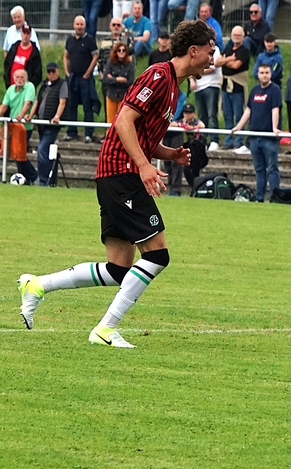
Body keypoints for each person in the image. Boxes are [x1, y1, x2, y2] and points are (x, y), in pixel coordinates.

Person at [17, 19, 216, 346]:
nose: (212, 58)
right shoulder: (158, 75)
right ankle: (105, 329)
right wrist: (144, 166)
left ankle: (37, 285)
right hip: (121, 172)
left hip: (119, 173)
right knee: (157, 255)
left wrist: (169, 154)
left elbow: (142, 135)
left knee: (119, 268)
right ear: (193, 51)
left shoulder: (174, 87)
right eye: (209, 51)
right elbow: (123, 121)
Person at [231, 64, 282, 201]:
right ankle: (259, 197)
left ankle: (275, 197)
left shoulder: (275, 90)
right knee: (259, 169)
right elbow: (248, 110)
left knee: (272, 169)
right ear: (258, 74)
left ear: (270, 74)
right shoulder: (254, 90)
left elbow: (275, 110)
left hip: (269, 138)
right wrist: (238, 127)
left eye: (267, 72)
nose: (264, 75)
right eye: (262, 73)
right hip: (254, 137)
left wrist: (275, 128)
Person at [29, 63, 68, 186]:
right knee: (44, 151)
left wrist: (57, 116)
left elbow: (62, 101)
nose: (51, 74)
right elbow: (37, 101)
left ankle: (44, 179)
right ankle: (46, 179)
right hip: (42, 123)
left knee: (42, 149)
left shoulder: (62, 84)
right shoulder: (44, 84)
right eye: (49, 72)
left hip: (51, 125)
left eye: (53, 71)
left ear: (58, 71)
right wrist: (31, 115)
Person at [62, 15, 99, 143]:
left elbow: (95, 56)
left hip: (85, 79)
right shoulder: (70, 40)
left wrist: (88, 73)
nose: (79, 27)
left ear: (85, 26)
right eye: (77, 24)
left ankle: (88, 133)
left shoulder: (89, 40)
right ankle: (71, 132)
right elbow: (66, 56)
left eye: (81, 24)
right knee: (71, 106)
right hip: (73, 78)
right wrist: (66, 71)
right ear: (74, 25)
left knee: (87, 106)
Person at [1, 68, 38, 183]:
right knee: (14, 154)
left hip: (24, 127)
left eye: (22, 77)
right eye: (17, 77)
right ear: (13, 78)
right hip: (12, 126)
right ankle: (25, 179)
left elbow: (28, 103)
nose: (19, 79)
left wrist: (20, 116)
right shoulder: (11, 89)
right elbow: (4, 105)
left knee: (19, 154)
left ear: (26, 78)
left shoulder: (29, 86)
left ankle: (34, 176)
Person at [218, 27, 251, 150]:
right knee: (227, 115)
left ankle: (239, 140)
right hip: (225, 86)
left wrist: (225, 60)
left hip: (238, 88)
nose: (236, 37)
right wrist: (230, 59)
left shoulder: (244, 51)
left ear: (243, 37)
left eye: (239, 35)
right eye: (234, 34)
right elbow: (217, 62)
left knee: (239, 115)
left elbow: (236, 66)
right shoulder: (227, 49)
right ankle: (228, 141)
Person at [190, 40, 222, 150]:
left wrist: (197, 71)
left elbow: (212, 68)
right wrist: (192, 78)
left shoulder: (215, 50)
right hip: (198, 87)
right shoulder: (196, 50)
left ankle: (214, 140)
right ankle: (203, 140)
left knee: (211, 114)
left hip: (211, 85)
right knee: (202, 115)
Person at [101, 42, 135, 124]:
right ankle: (109, 132)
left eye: (124, 50)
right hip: (111, 95)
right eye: (119, 50)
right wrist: (117, 79)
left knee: (122, 120)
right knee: (110, 121)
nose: (121, 52)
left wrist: (112, 78)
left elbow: (130, 81)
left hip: (123, 97)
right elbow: (105, 79)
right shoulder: (110, 63)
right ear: (115, 52)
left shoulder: (130, 65)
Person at [4, 22, 42, 88]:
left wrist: (29, 86)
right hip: (11, 86)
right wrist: (7, 79)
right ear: (21, 34)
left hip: (25, 88)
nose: (25, 36)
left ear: (30, 35)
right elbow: (7, 63)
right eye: (24, 33)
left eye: (27, 33)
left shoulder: (34, 52)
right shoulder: (14, 47)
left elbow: (38, 73)